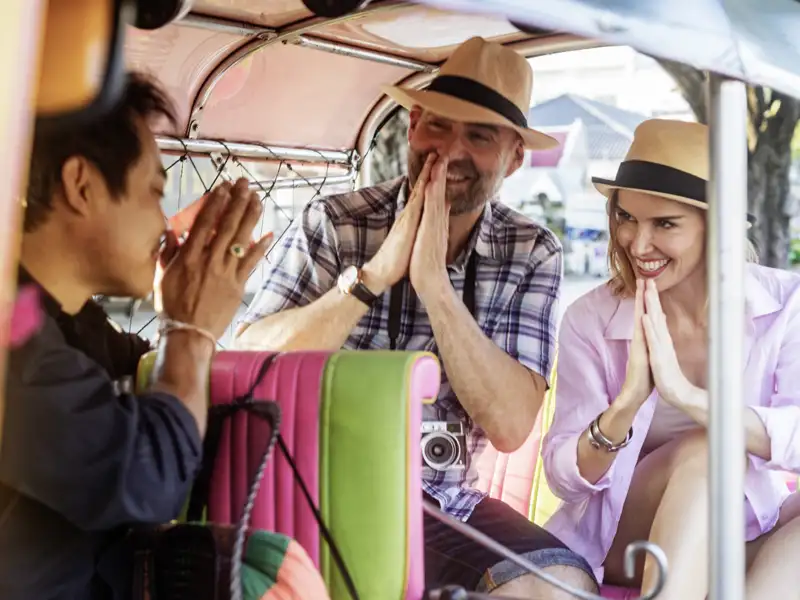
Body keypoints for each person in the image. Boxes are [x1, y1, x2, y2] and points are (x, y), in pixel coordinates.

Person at [235, 36, 598, 598]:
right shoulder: (335, 222)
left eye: (478, 136)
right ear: (412, 125)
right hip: (312, 486)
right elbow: (250, 356)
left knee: (563, 585)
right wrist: (374, 276)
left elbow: (511, 426)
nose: (449, 150)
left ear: (515, 158)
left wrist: (435, 286)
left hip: (439, 503)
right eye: (438, 126)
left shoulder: (531, 250)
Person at [0, 71, 272, 600]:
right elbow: (149, 482)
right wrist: (190, 330)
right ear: (82, 185)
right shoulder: (17, 347)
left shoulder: (58, 318)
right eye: (152, 193)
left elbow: (153, 375)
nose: (163, 225)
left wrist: (189, 320)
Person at [541, 118, 800, 599]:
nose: (638, 244)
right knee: (709, 449)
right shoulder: (591, 319)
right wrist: (625, 405)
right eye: (627, 218)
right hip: (623, 537)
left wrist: (690, 398)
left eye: (664, 223)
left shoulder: (785, 306)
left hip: (738, 528)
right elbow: (563, 478)